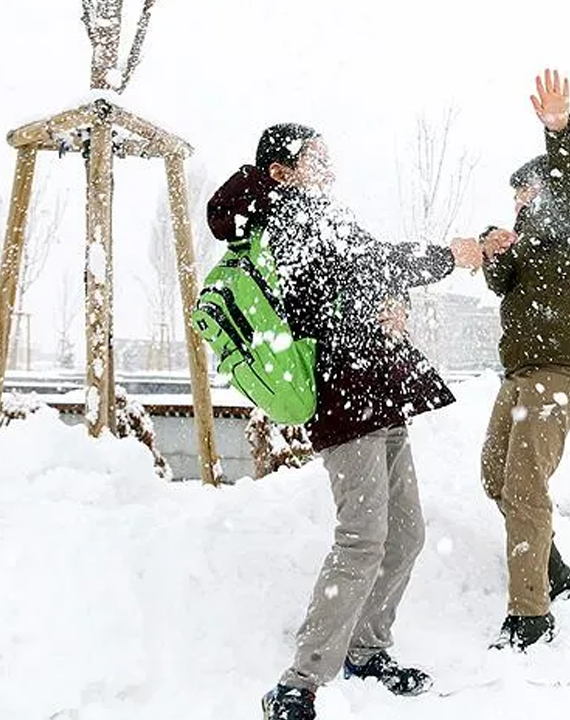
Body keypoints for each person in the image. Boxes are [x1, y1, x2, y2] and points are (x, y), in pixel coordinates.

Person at [206, 124, 484, 720]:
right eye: (315, 157)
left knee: (406, 535)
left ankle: (367, 649)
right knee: (362, 538)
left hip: (377, 388)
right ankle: (299, 683)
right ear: (282, 172)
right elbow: (364, 268)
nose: (329, 164)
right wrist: (447, 258)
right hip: (344, 397)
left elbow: (359, 283)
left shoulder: (320, 212)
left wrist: (392, 305)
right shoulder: (286, 219)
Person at [477, 69, 570, 651]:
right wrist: (493, 249)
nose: (519, 202)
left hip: (562, 370)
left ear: (552, 188)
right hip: (522, 372)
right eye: (514, 197)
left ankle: (530, 614)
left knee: (525, 484)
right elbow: (501, 283)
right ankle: (554, 568)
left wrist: (559, 129)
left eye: (527, 193)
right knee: (495, 474)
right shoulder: (529, 241)